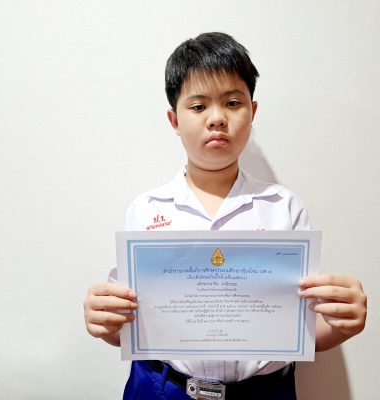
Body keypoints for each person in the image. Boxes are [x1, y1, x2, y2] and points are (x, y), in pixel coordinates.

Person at [83, 32, 367, 399]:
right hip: (163, 388)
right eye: (198, 106)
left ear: (253, 111)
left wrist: (345, 325)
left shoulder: (284, 208)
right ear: (174, 120)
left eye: (233, 103)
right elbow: (127, 330)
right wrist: (103, 322)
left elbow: (300, 336)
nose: (217, 118)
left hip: (264, 392)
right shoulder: (147, 210)